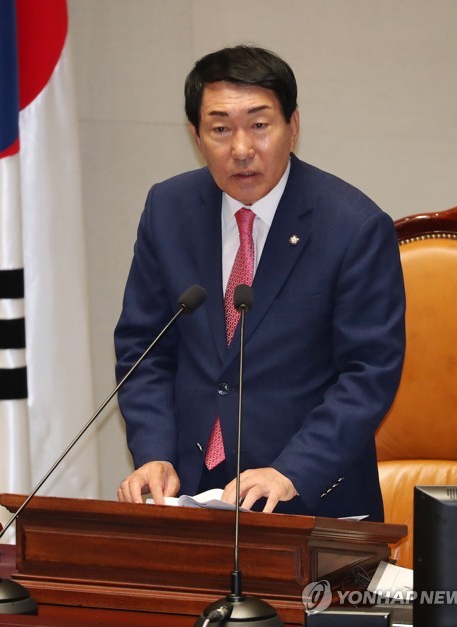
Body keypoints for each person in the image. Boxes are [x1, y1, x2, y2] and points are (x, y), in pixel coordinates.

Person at [115, 45, 405, 521]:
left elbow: (369, 372)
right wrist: (154, 452)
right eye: (220, 129)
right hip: (188, 495)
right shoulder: (168, 209)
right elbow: (144, 349)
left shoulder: (353, 226)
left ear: (293, 126)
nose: (241, 149)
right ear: (196, 135)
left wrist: (291, 471)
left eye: (259, 125)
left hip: (306, 500)